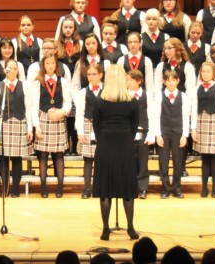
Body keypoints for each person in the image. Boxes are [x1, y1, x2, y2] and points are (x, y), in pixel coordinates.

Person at [92, 64, 142, 241]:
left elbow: (96, 127)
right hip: (125, 146)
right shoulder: (132, 102)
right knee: (127, 189)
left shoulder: (99, 101)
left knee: (106, 189)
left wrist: (104, 138)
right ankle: (130, 228)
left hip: (105, 145)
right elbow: (134, 127)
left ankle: (106, 229)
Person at [0, 60, 32, 197]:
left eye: (14, 68)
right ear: (5, 70)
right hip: (3, 125)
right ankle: (4, 188)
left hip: (19, 124)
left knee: (17, 159)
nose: (12, 71)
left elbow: (29, 109)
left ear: (18, 70)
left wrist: (29, 128)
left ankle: (16, 190)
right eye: (9, 68)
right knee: (3, 158)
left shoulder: (24, 86)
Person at [31, 54, 73, 198]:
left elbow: (68, 102)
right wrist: (37, 126)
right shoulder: (38, 82)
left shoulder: (63, 82)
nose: (50, 66)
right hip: (43, 119)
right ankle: (43, 187)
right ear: (43, 66)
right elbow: (34, 106)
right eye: (47, 63)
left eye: (52, 63)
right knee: (42, 155)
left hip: (58, 119)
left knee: (59, 154)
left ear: (56, 65)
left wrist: (62, 112)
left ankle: (60, 187)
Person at [151, 69, 188, 198]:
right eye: (168, 80)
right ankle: (165, 188)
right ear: (164, 82)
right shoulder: (159, 97)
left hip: (178, 132)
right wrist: (158, 134)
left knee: (178, 163)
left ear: (178, 81)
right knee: (163, 162)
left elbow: (185, 117)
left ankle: (177, 188)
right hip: (164, 133)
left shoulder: (183, 96)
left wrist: (184, 135)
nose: (171, 83)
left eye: (173, 80)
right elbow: (155, 116)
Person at [192, 61, 215, 198]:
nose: (205, 74)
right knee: (205, 158)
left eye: (208, 71)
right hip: (201, 122)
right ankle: (204, 187)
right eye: (203, 71)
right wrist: (193, 128)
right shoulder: (197, 88)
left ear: (213, 73)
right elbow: (194, 109)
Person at [74, 61, 104, 199]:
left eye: (94, 74)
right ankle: (87, 188)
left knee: (101, 158)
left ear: (101, 75)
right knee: (88, 160)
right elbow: (79, 112)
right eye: (89, 74)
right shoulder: (83, 92)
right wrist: (80, 131)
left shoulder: (107, 90)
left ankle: (100, 187)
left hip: (103, 127)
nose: (91, 77)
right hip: (87, 124)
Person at [125, 69, 153, 199]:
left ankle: (143, 188)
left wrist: (151, 133)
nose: (128, 82)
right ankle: (130, 186)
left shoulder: (147, 95)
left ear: (139, 81)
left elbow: (152, 115)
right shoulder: (124, 95)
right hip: (128, 132)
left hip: (143, 131)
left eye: (130, 80)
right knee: (129, 160)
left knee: (143, 160)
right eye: (127, 80)